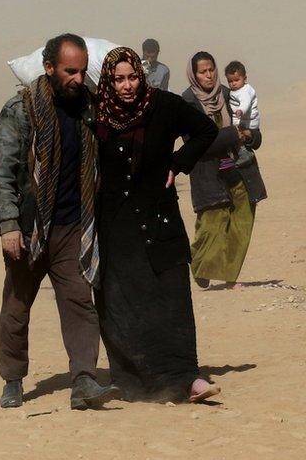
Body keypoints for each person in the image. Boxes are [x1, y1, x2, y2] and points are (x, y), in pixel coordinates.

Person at [0, 33, 119, 410]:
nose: (78, 79)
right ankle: (13, 379)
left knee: (79, 301)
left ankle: (84, 380)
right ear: (49, 68)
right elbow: (3, 171)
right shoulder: (23, 109)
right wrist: (9, 224)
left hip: (72, 225)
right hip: (29, 228)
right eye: (69, 71)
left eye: (81, 71)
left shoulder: (89, 110)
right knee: (17, 304)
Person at [93, 47, 221, 403]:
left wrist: (178, 162)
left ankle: (187, 377)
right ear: (108, 81)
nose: (127, 86)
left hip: (159, 217)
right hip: (116, 225)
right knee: (121, 301)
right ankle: (134, 382)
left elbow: (205, 131)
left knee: (171, 296)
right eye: (119, 79)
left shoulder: (163, 105)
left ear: (142, 75)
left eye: (132, 77)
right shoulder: (97, 115)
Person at [182, 52, 266, 289]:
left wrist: (250, 135)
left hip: (239, 170)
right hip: (209, 174)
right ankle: (199, 264)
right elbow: (196, 142)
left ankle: (230, 278)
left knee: (242, 222)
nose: (208, 75)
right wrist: (232, 135)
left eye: (211, 70)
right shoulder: (187, 102)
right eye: (202, 71)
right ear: (194, 74)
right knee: (211, 225)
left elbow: (251, 127)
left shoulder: (229, 94)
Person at [225, 61, 259, 130]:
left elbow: (245, 102)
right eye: (230, 81)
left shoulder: (245, 91)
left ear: (245, 79)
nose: (233, 83)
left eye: (236, 80)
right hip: (239, 118)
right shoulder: (233, 91)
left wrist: (241, 110)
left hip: (248, 121)